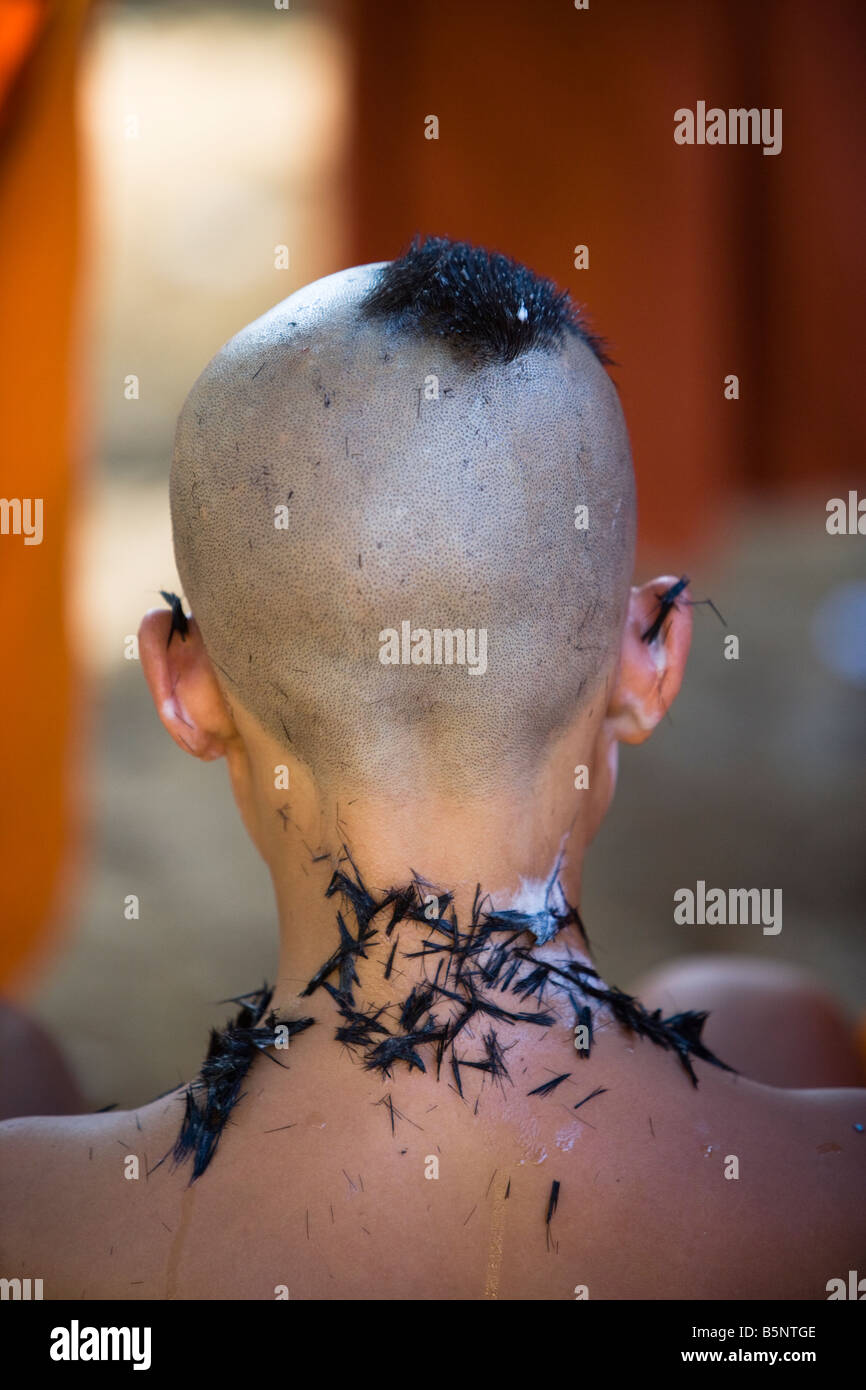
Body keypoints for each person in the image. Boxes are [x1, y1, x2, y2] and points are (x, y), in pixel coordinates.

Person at [1, 237, 863, 1300]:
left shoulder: (26, 1225)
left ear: (183, 684)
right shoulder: (834, 1213)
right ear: (651, 655)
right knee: (760, 1013)